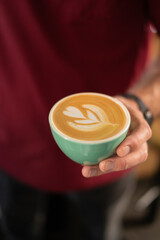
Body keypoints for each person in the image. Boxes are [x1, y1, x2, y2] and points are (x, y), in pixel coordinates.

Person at [0, 1, 160, 240]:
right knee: (17, 226)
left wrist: (141, 103)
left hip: (112, 149)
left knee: (101, 230)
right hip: (11, 138)